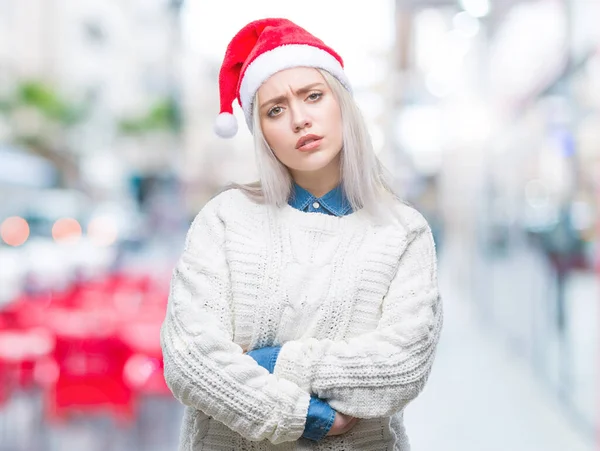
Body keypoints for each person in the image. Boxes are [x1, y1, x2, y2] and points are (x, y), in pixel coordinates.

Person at [160, 17, 443, 451]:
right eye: (275, 109)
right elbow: (190, 359)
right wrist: (305, 417)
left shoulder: (402, 231)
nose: (299, 119)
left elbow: (400, 366)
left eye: (313, 96)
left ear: (342, 103)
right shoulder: (223, 219)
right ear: (263, 135)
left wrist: (270, 361)